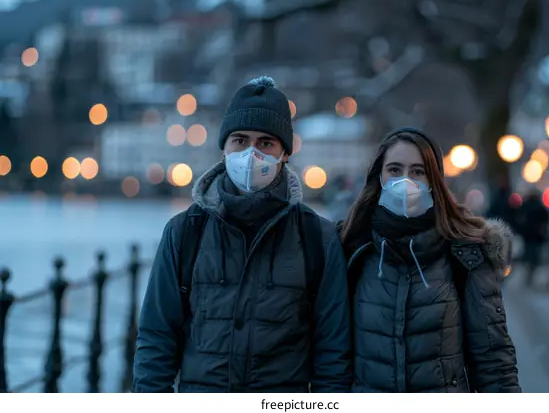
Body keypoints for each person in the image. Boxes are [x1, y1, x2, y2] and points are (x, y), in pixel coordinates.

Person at [133, 76, 352, 393]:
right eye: (240, 140)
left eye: (266, 143)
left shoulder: (316, 237)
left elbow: (333, 353)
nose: (252, 154)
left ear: (284, 153)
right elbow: (157, 337)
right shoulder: (185, 232)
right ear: (224, 148)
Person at [340, 128, 521, 393]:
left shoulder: (465, 254)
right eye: (394, 170)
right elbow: (331, 357)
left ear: (433, 181)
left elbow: (493, 364)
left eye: (417, 172)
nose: (405, 181)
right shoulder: (353, 248)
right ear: (379, 177)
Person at [516, 189, 549, 287]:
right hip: (536, 236)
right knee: (534, 255)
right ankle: (531, 272)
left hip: (527, 235)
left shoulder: (525, 206)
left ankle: (528, 272)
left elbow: (519, 218)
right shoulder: (540, 207)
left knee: (528, 253)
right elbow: (545, 220)